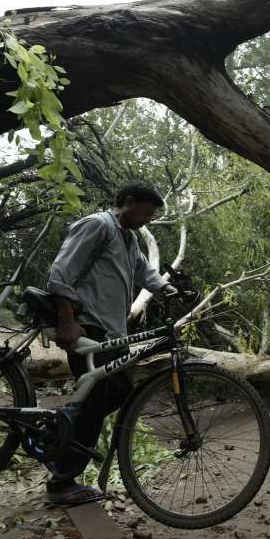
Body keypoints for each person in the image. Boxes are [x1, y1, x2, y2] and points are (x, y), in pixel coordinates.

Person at [43, 181, 178, 505]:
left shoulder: (128, 238)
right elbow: (60, 272)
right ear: (128, 203)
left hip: (113, 333)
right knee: (95, 402)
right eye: (145, 212)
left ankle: (61, 429)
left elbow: (146, 274)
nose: (146, 219)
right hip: (88, 327)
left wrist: (171, 291)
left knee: (118, 390)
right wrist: (66, 320)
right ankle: (62, 482)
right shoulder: (97, 225)